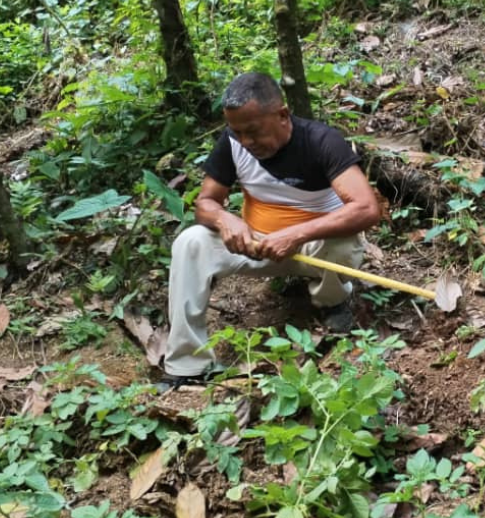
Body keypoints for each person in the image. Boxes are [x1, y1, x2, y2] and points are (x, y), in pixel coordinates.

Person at [159, 72, 381, 390]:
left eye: (253, 131)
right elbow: (206, 203)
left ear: (282, 115)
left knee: (342, 243)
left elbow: (367, 208)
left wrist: (295, 235)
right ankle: (187, 363)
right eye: (238, 132)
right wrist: (225, 219)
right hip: (256, 245)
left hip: (313, 250)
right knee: (190, 242)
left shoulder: (321, 141)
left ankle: (333, 301)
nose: (246, 142)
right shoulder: (232, 143)